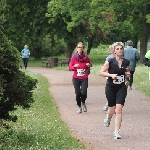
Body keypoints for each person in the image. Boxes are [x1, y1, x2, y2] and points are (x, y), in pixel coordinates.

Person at [100, 42, 131, 139]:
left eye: (121, 48)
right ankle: (108, 117)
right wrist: (111, 75)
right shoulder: (110, 61)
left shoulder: (126, 61)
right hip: (111, 87)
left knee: (119, 109)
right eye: (117, 49)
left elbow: (127, 70)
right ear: (114, 51)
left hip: (121, 87)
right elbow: (101, 72)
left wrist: (128, 74)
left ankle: (116, 131)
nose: (120, 50)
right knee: (112, 109)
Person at [69, 42, 92, 114]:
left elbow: (90, 64)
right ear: (76, 48)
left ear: (83, 48)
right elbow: (70, 67)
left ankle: (83, 103)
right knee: (78, 93)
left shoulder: (86, 57)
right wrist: (74, 67)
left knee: (83, 92)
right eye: (79, 47)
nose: (80, 48)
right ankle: (79, 107)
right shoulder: (73, 58)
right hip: (76, 78)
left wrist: (89, 65)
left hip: (84, 78)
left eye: (81, 47)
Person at [103, 44, 115, 111]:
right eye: (111, 49)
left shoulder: (121, 57)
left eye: (112, 49)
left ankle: (114, 105)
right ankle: (108, 103)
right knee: (110, 91)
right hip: (110, 77)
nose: (111, 51)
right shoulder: (109, 58)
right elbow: (105, 68)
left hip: (118, 78)